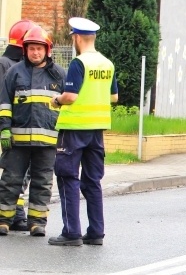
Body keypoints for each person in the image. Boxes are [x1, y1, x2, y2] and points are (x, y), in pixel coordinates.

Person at [48, 17, 118, 246]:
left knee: (68, 177)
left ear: (77, 38)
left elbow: (71, 96)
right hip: (97, 131)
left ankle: (71, 232)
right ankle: (96, 232)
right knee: (92, 181)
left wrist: (57, 100)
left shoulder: (79, 63)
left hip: (74, 129)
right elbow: (114, 97)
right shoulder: (107, 64)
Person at [0, 26, 65, 236]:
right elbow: (4, 103)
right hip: (17, 141)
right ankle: (3, 220)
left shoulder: (59, 75)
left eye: (39, 48)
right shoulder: (14, 72)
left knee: (42, 182)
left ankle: (37, 223)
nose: (35, 52)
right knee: (11, 181)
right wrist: (4, 130)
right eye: (31, 49)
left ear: (47, 50)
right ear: (25, 50)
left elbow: (68, 107)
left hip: (47, 143)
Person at [0, 19, 38, 230]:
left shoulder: (17, 64)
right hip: (12, 129)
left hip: (25, 128)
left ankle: (16, 213)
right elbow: (3, 99)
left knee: (23, 172)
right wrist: (4, 128)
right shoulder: (6, 65)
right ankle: (14, 214)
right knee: (14, 173)